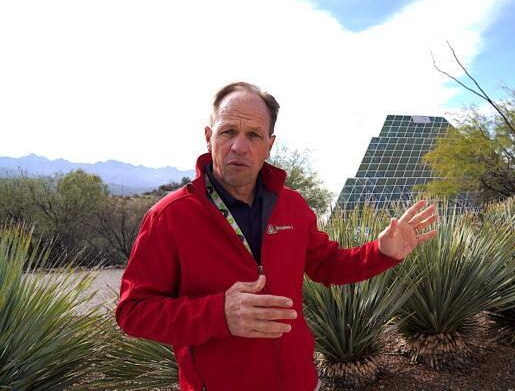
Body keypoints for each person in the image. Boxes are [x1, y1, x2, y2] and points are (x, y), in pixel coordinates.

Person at [115, 82, 438, 391]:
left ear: (269, 145)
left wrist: (382, 252)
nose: (239, 146)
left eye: (253, 135)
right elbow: (133, 312)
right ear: (208, 137)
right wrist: (218, 314)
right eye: (228, 132)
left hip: (300, 383)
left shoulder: (292, 205)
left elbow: (327, 265)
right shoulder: (169, 217)